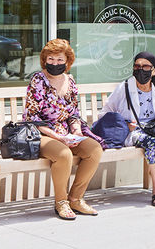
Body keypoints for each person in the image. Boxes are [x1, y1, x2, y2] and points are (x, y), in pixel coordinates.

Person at [25, 38, 104, 220]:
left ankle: (76, 198)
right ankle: (61, 202)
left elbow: (73, 113)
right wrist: (58, 137)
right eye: (51, 59)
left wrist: (76, 131)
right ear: (45, 60)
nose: (55, 63)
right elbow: (32, 117)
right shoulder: (38, 80)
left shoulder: (70, 81)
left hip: (65, 133)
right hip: (42, 133)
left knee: (94, 149)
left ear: (67, 61)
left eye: (59, 59)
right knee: (63, 154)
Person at [104, 51, 155, 206]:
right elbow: (107, 111)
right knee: (153, 143)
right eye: (137, 66)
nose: (140, 70)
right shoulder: (124, 87)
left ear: (153, 70)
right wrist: (125, 124)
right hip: (135, 131)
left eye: (145, 66)